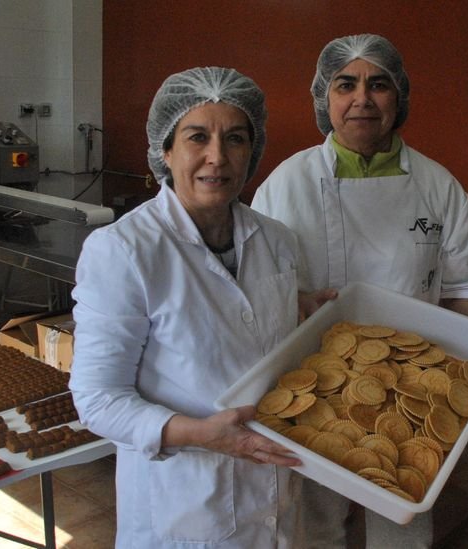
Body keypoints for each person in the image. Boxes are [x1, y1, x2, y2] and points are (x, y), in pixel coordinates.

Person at [252, 34, 468, 549]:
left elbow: (462, 291)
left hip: (412, 394)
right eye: (345, 84)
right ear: (325, 98)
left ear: (400, 98)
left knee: (404, 528)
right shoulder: (284, 186)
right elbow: (258, 294)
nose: (362, 99)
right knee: (312, 527)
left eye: (379, 85)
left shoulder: (439, 189)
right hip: (313, 389)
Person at [71, 67, 326, 548]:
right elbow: (98, 399)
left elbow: (243, 325)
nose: (217, 157)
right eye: (197, 137)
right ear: (166, 151)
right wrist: (201, 435)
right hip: (183, 505)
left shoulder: (277, 241)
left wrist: (302, 309)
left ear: (253, 151)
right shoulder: (124, 250)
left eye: (235, 139)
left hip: (272, 497)